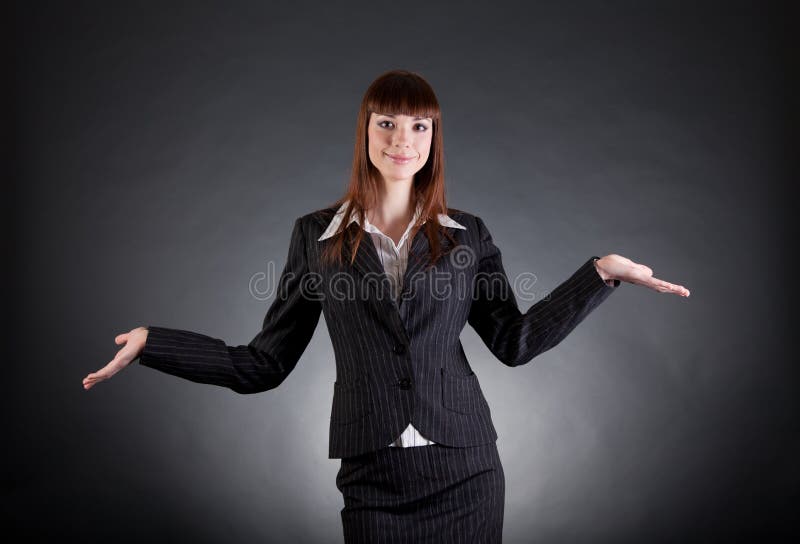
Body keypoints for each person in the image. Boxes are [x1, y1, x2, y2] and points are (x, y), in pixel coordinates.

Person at [82, 69, 690, 543]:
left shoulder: (468, 235)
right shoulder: (314, 236)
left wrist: (600, 274)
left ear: (435, 137)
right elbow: (263, 364)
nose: (403, 140)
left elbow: (515, 341)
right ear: (365, 132)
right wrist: (153, 343)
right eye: (387, 124)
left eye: (420, 126)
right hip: (372, 477)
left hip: (467, 472)